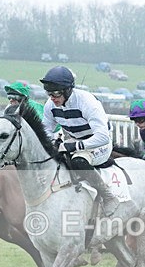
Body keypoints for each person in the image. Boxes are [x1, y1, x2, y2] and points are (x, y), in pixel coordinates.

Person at [40, 66, 119, 216]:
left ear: (68, 90)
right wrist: (53, 142)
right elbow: (45, 130)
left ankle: (108, 196)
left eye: (56, 93)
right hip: (75, 140)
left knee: (78, 161)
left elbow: (103, 137)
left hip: (99, 143)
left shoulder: (87, 102)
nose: (52, 98)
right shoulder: (50, 106)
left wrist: (76, 145)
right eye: (49, 93)